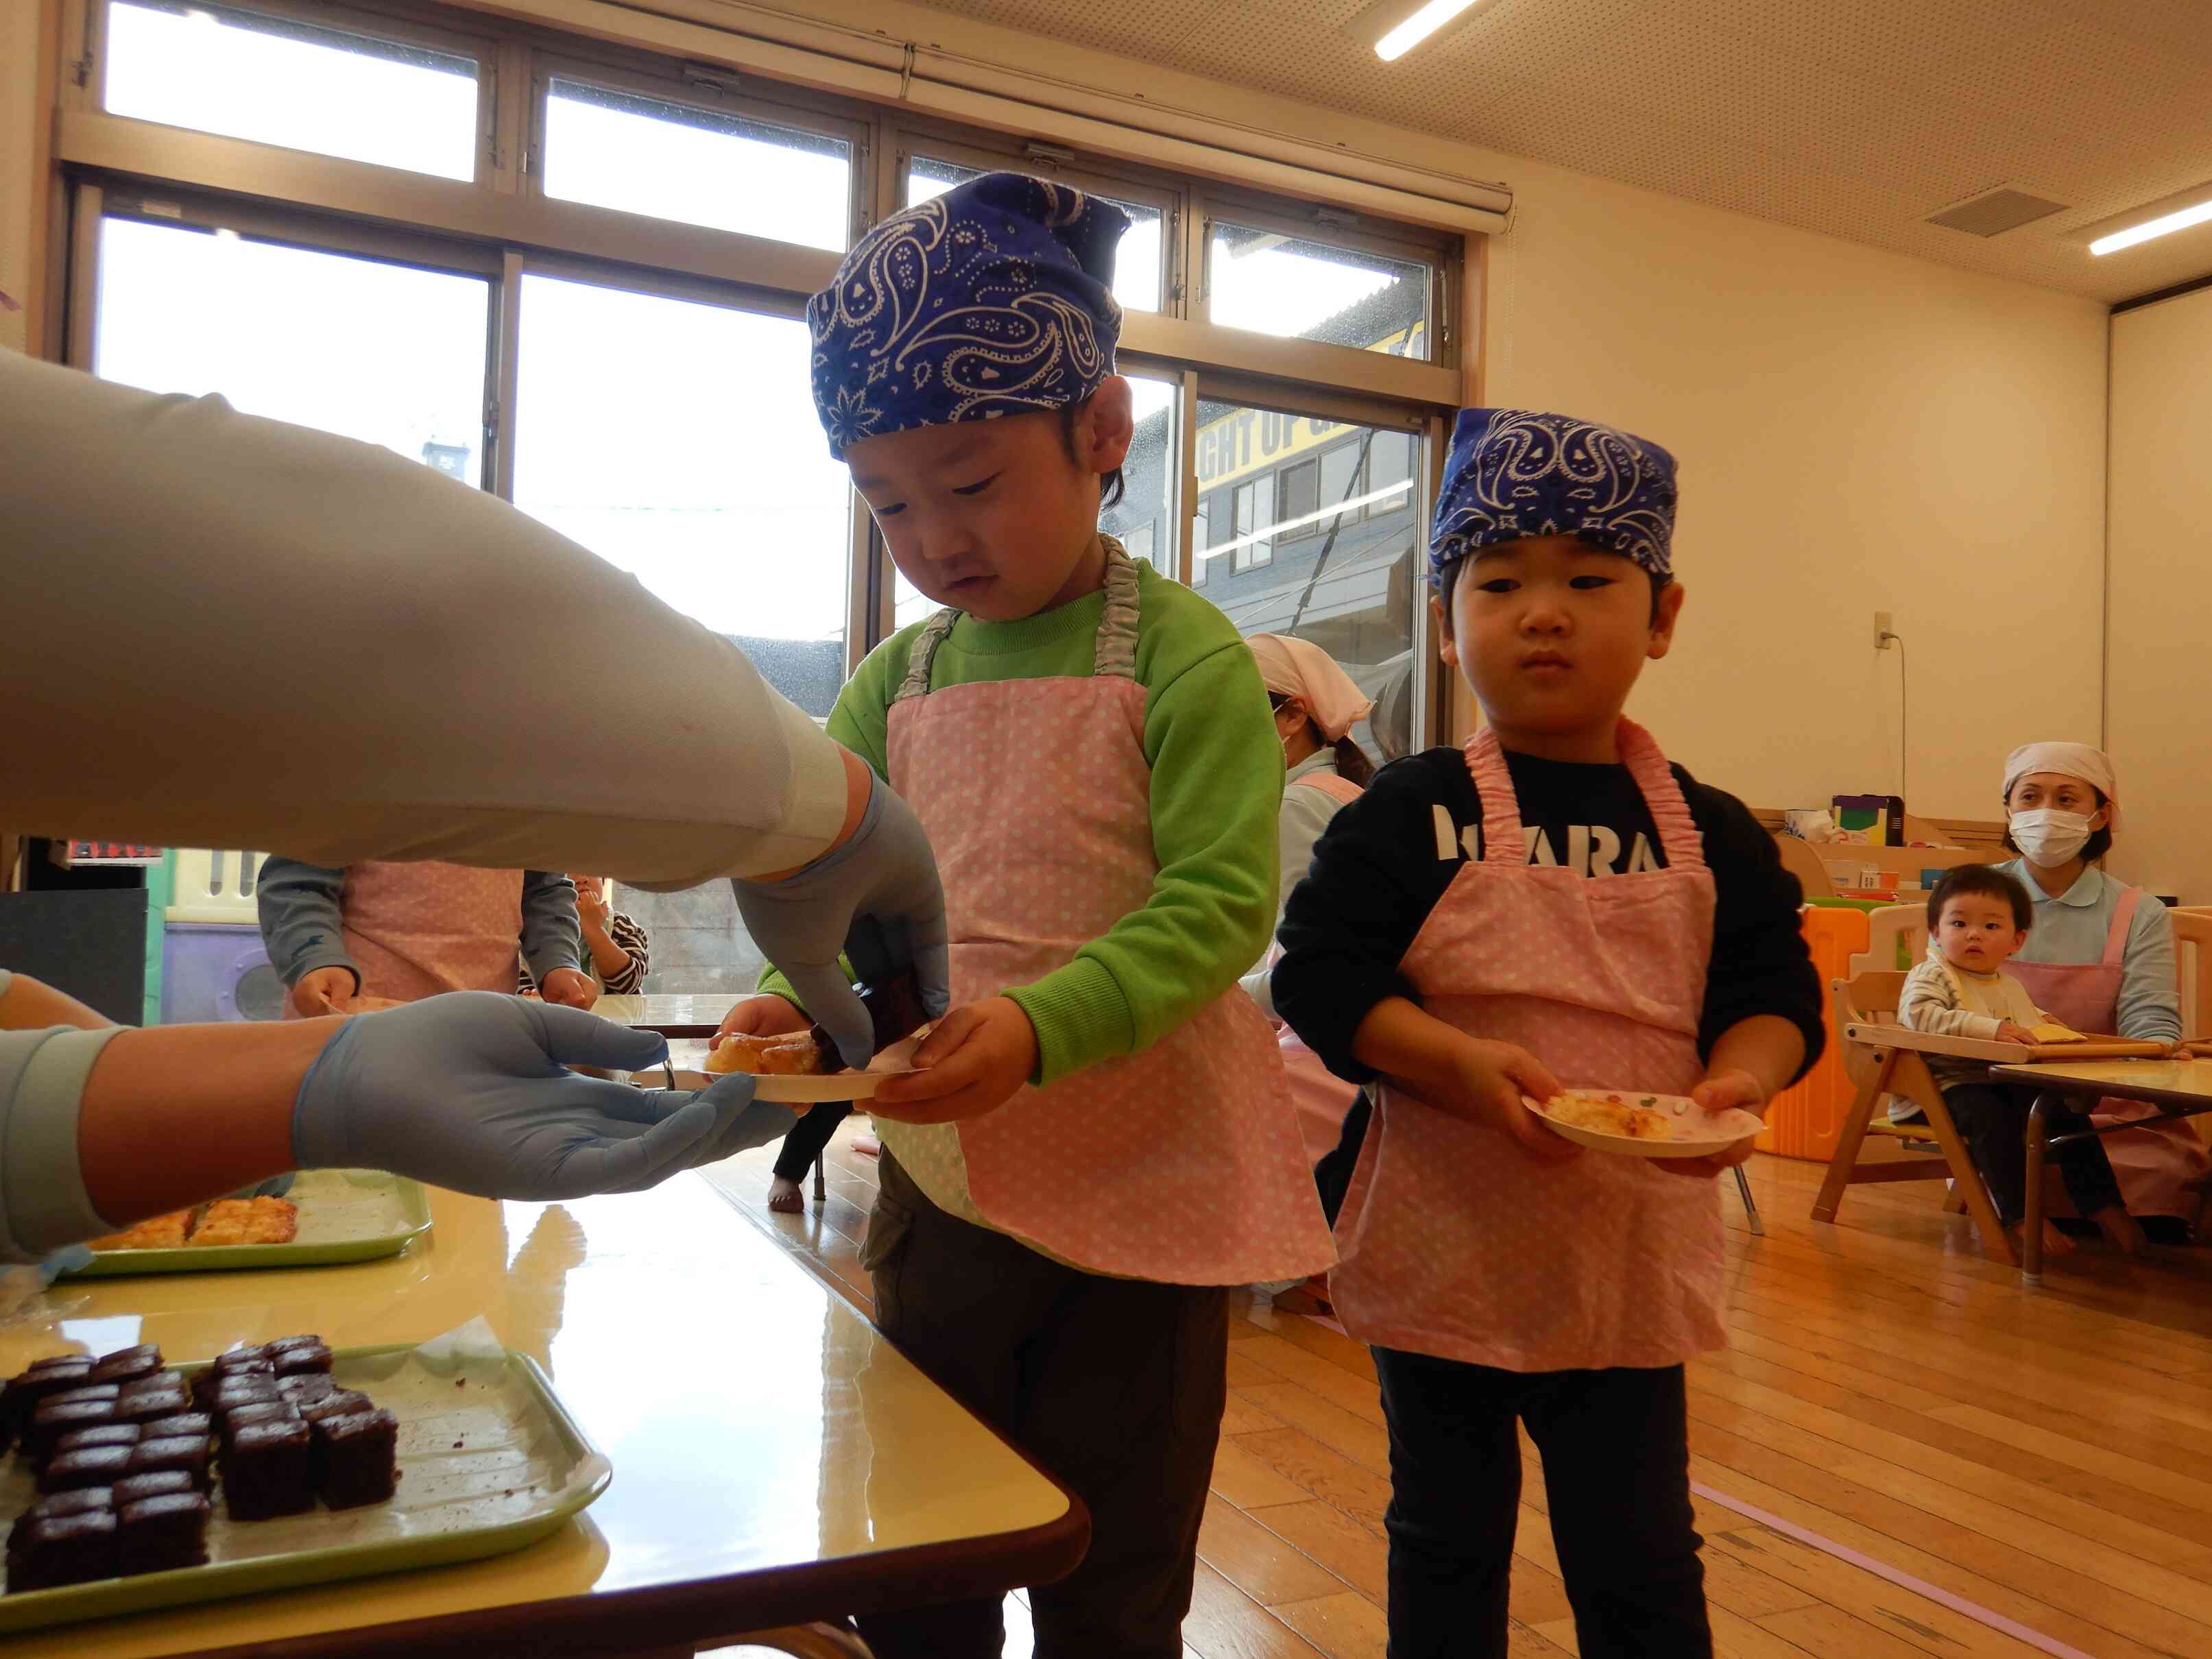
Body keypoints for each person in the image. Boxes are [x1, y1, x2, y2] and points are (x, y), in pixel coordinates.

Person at [715, 173, 1334, 1659]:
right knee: (922, 1539)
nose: (933, 534)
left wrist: (1039, 1023)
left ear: (1101, 433)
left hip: (1147, 1191)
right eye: (887, 500)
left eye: (973, 481)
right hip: (945, 1180)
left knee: (1113, 1567)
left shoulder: (1184, 657)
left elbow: (1213, 908)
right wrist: (796, 1001)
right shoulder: (895, 678)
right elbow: (824, 885)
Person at [0, 349, 949, 1261]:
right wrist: (320, 1069)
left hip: (462, 1030)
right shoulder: (360, 800)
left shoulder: (516, 829)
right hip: (370, 1009)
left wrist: (298, 1096)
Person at [1273, 408, 1825, 1659]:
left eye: (1591, 579)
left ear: (1664, 617)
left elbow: (1777, 993)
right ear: (1448, 614)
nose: (1544, 611)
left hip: (1626, 1252)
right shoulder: (1408, 809)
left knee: (1636, 1547)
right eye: (1500, 581)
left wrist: (1737, 1084)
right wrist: (1457, 1064)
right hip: (1443, 1239)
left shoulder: (1715, 826)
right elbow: (1319, 979)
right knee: (1445, 1534)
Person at [1996, 742, 2209, 1239]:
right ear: (2007, 810)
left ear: (2100, 815)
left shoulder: (2138, 912)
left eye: (2067, 799)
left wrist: (2155, 1055)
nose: (2046, 812)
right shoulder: (1969, 897)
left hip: (2114, 1107)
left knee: (2161, 1182)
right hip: (2000, 1102)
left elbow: (2151, 1025)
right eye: (2030, 797)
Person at [1899, 864, 2140, 1257]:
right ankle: (2020, 1218)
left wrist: (2053, 1030)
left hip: (2004, 1082)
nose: (1974, 934)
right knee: (1993, 1122)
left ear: (2017, 940)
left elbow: (2029, 1022)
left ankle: (2106, 1207)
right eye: (1959, 923)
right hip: (1949, 1087)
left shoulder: (2008, 984)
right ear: (1936, 932)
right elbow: (1920, 1017)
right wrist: (1989, 1029)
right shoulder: (1931, 975)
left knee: (2067, 1117)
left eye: (1991, 927)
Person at [1236, 634, 1375, 1266]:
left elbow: (1294, 968)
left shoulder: (1297, 803)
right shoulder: (1344, 794)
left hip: (1322, 1048)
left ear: (1290, 716)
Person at [261, 858, 594, 1015]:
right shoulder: (358, 763)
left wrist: (557, 963)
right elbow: (298, 882)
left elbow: (542, 892)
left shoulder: (519, 788)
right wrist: (313, 959)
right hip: (353, 1020)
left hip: (479, 1026)